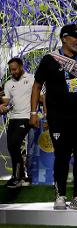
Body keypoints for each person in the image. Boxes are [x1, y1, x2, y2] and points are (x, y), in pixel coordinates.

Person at [30, 24, 77, 210]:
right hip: (59, 118)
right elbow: (36, 86)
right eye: (74, 37)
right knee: (62, 156)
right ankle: (60, 195)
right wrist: (34, 113)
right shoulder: (50, 60)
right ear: (64, 38)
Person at [0, 58, 35, 188]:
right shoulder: (9, 83)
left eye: (15, 69)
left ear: (21, 67)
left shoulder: (31, 78)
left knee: (15, 144)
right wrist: (2, 107)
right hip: (13, 118)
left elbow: (40, 96)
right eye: (11, 70)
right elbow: (6, 102)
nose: (13, 72)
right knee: (11, 146)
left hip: (26, 117)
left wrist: (37, 114)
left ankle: (17, 177)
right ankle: (19, 175)